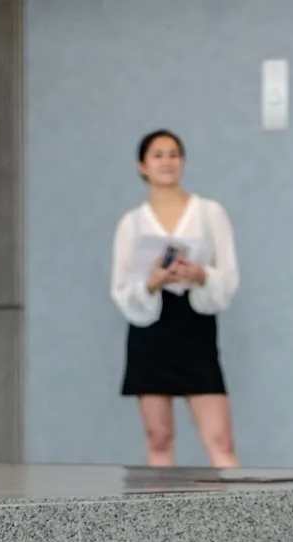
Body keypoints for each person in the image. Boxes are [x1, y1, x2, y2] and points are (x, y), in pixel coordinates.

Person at [111, 130, 241, 468]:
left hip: (195, 323)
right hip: (150, 328)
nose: (167, 161)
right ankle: (161, 517)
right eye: (158, 155)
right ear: (142, 166)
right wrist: (152, 283)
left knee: (220, 440)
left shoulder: (210, 213)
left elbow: (227, 275)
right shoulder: (131, 223)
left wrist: (200, 275)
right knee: (159, 437)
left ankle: (238, 516)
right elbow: (122, 288)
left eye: (173, 154)